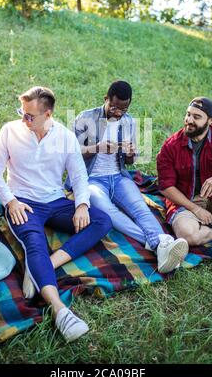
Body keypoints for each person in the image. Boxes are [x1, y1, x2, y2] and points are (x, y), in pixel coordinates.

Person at [0, 86, 112, 343]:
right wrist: (10, 201)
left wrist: (82, 205)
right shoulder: (11, 131)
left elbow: (78, 175)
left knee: (102, 220)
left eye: (30, 115)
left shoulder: (65, 137)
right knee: (35, 244)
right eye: (22, 113)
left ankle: (43, 267)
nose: (24, 119)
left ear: (48, 114)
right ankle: (60, 310)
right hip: (23, 203)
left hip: (55, 201)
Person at [73, 81, 188, 274]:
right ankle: (159, 244)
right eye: (114, 107)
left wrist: (130, 154)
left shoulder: (129, 122)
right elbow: (72, 154)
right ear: (106, 99)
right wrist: (97, 148)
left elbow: (129, 162)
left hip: (118, 176)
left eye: (124, 109)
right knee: (109, 212)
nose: (118, 113)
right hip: (92, 180)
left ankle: (161, 246)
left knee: (140, 209)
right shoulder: (86, 118)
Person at [157, 96, 212, 253]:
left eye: (196, 117)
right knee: (189, 237)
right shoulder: (170, 146)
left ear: (210, 120)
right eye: (188, 114)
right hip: (185, 202)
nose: (189, 120)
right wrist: (196, 209)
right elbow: (166, 187)